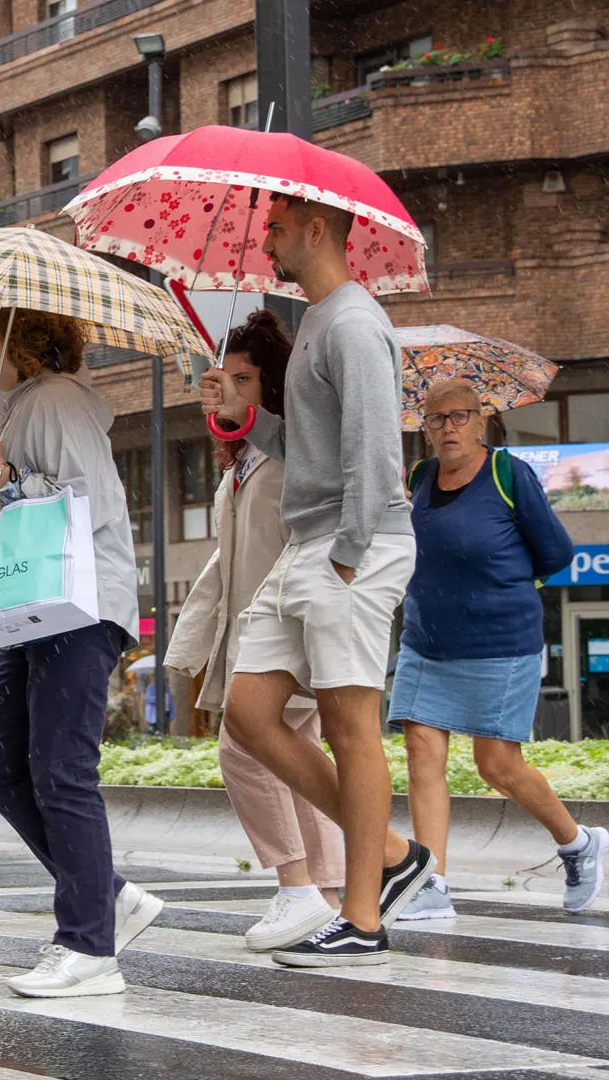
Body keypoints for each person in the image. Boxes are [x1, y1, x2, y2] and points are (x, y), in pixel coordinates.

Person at [201, 193, 435, 968]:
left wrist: (348, 555)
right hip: (311, 540)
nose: (265, 241)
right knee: (249, 711)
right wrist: (239, 413)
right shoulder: (316, 326)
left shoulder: (356, 323)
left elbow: (375, 450)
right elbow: (310, 447)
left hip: (349, 545)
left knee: (348, 726)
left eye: (273, 227)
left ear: (316, 230)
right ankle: (394, 853)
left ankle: (363, 918)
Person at [0, 305, 161, 998]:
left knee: (61, 770)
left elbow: (90, 503)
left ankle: (89, 946)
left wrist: (4, 474)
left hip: (78, 606)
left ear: (19, 343)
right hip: (35, 610)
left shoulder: (56, 400)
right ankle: (109, 895)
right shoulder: (20, 407)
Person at [391, 380, 609, 917]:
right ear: (426, 428)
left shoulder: (508, 474)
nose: (448, 428)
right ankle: (432, 883)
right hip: (426, 638)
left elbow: (556, 552)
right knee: (421, 747)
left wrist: (499, 582)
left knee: (497, 765)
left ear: (481, 418)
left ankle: (579, 844)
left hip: (500, 640)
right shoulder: (419, 478)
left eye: (459, 416)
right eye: (437, 419)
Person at [167, 311, 345, 952]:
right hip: (255, 630)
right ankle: (328, 896)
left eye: (245, 377)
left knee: (242, 749)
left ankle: (298, 887)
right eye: (227, 377)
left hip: (291, 625)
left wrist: (235, 411)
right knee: (297, 765)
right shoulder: (242, 461)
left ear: (273, 385)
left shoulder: (297, 443)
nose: (233, 388)